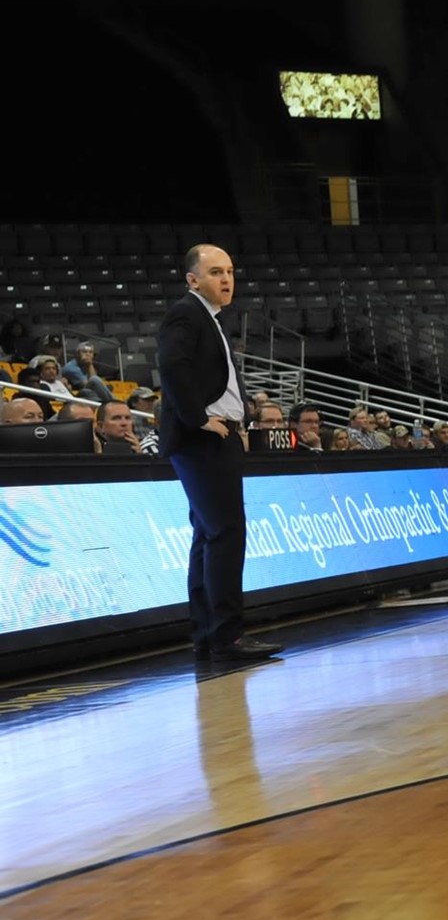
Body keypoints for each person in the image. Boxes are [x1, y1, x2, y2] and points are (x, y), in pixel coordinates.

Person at [155, 244, 283, 666]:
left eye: (229, 271)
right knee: (225, 534)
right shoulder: (186, 313)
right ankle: (228, 637)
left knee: (208, 536)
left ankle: (209, 633)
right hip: (201, 440)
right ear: (193, 280)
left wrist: (237, 421)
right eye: (215, 272)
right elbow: (172, 367)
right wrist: (198, 419)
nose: (226, 279)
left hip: (216, 437)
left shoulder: (208, 318)